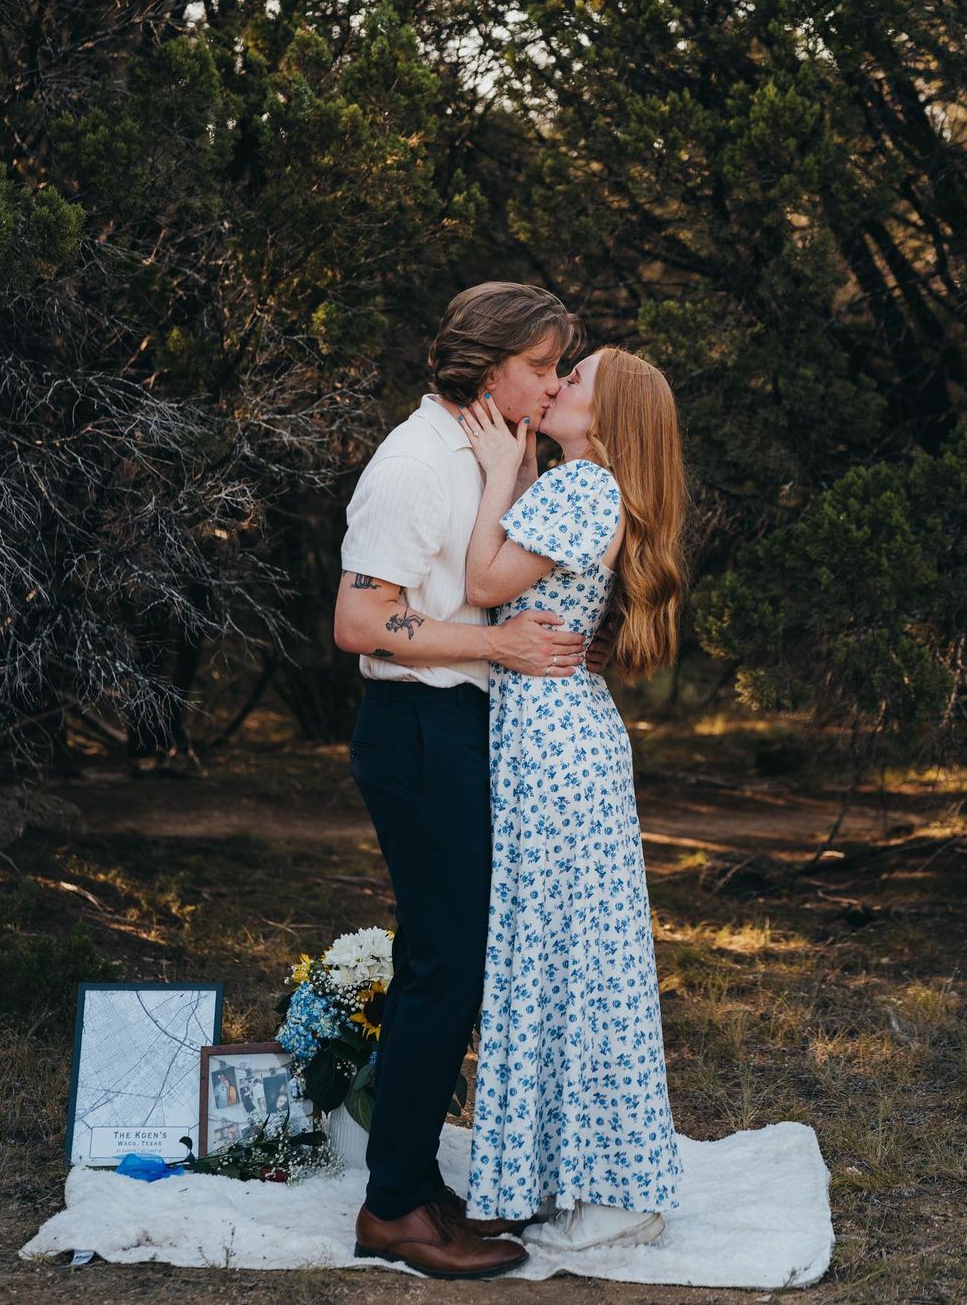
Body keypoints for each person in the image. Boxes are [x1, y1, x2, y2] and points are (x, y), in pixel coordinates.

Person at [334, 283, 613, 1280]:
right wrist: (496, 645)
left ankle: (411, 1177)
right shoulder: (415, 463)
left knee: (447, 958)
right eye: (539, 365)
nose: (552, 382)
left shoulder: (486, 454)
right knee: (446, 964)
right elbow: (362, 621)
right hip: (416, 727)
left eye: (559, 366)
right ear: (486, 367)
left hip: (460, 725)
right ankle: (393, 1209)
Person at [460, 346, 687, 1251]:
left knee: (571, 963)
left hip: (555, 747)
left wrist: (495, 473)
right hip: (565, 736)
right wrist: (517, 473)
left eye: (576, 377)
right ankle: (590, 1174)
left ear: (609, 415)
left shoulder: (584, 485)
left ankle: (614, 1189)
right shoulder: (588, 488)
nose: (556, 384)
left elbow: (483, 586)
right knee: (579, 960)